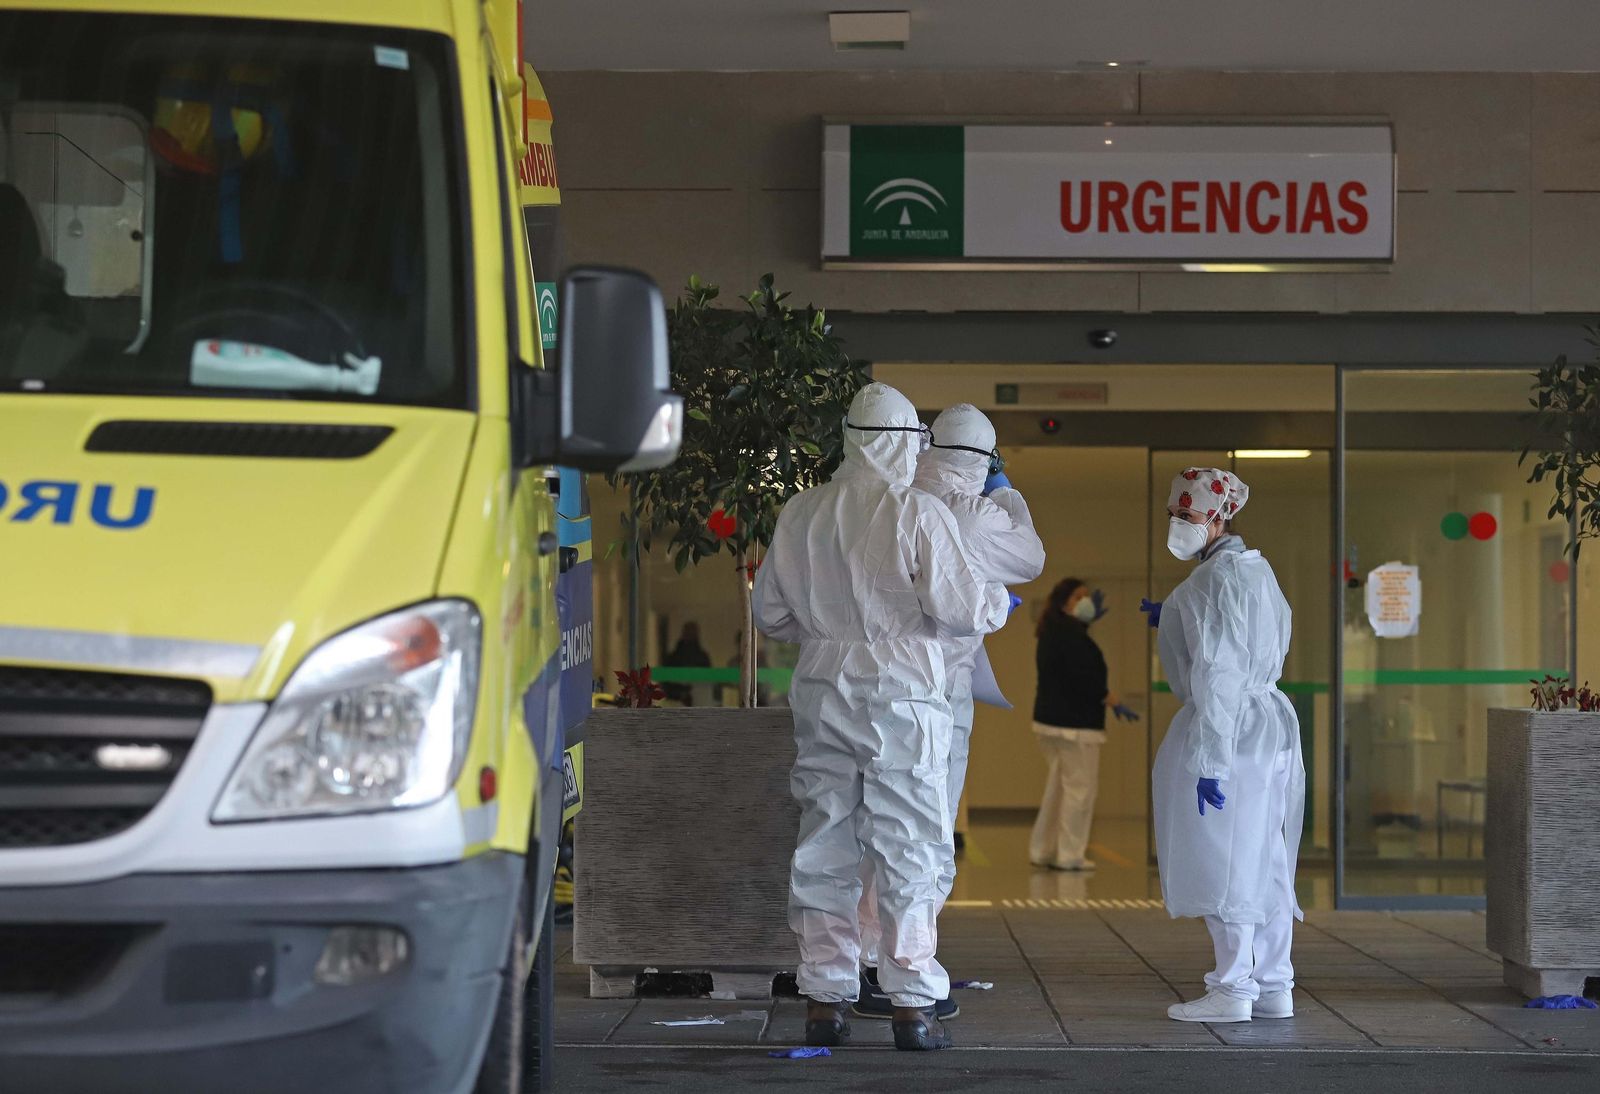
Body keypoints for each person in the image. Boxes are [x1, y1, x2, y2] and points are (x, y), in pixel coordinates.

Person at [753, 382, 1009, 1052]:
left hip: (821, 690)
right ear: (905, 443)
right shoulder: (917, 513)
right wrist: (999, 599)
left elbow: (771, 616)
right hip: (904, 694)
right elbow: (964, 609)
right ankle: (913, 1002)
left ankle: (824, 998)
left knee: (825, 838)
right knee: (910, 844)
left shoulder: (800, 513)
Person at [853, 403, 1045, 1021]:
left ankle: (852, 964)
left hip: (862, 688)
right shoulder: (977, 514)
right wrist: (1007, 494)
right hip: (936, 697)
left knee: (857, 829)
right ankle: (902, 970)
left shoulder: (895, 498)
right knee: (923, 834)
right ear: (986, 461)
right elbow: (1031, 558)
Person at [1143, 468, 1305, 1024]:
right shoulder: (1256, 571)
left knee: (1227, 858)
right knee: (1268, 858)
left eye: (1186, 515)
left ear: (1216, 517)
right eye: (1174, 515)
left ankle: (1234, 989)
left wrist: (1210, 760)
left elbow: (1217, 673)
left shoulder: (1209, 584)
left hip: (1231, 732)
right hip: (1269, 728)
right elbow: (1249, 642)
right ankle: (1274, 983)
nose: (1178, 525)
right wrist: (1172, 617)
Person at [1028, 577, 1138, 872]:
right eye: (1079, 597)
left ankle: (1044, 849)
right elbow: (1083, 677)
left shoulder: (1054, 631)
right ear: (1064, 602)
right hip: (1075, 726)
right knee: (1079, 791)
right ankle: (1069, 854)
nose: (1086, 602)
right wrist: (1109, 698)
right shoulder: (1070, 636)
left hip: (1052, 723)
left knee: (1059, 789)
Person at [661, 621, 711, 705]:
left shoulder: (702, 657)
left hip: (698, 702)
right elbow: (666, 684)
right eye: (689, 632)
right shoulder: (673, 658)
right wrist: (680, 694)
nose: (690, 636)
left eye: (692, 633)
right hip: (676, 703)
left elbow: (707, 681)